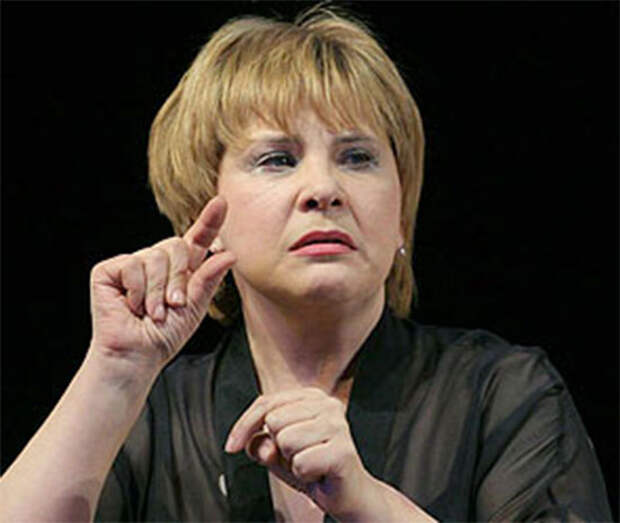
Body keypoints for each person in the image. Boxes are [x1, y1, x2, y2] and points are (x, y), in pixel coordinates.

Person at [1, 4, 612, 522]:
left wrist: (369, 503)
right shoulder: (150, 414)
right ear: (205, 210)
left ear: (401, 214)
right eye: (277, 159)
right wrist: (115, 371)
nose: (323, 189)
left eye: (357, 157)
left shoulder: (504, 394)